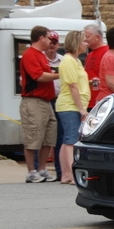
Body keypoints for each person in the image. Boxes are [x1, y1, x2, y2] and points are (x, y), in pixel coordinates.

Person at [19, 25, 60, 183]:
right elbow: (38, 77)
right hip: (33, 100)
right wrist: (59, 74)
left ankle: (42, 169)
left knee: (48, 137)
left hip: (45, 101)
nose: (50, 41)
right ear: (41, 38)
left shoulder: (41, 55)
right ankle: (31, 171)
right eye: (49, 37)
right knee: (33, 135)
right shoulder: (30, 55)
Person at [55, 30, 90, 185]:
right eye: (84, 40)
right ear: (76, 43)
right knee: (72, 140)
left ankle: (66, 174)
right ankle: (71, 173)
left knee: (67, 139)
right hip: (70, 105)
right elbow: (73, 86)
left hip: (71, 104)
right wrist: (81, 108)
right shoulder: (69, 61)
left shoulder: (75, 60)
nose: (86, 43)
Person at [43, 30, 64, 181]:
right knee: (43, 136)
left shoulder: (63, 60)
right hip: (44, 100)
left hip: (60, 100)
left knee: (60, 137)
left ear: (58, 44)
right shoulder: (40, 59)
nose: (52, 45)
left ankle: (60, 172)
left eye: (54, 42)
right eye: (50, 42)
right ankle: (39, 170)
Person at [83, 23, 108, 110]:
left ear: (97, 37)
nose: (85, 40)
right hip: (89, 100)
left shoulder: (107, 53)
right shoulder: (89, 55)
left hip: (100, 100)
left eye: (87, 37)